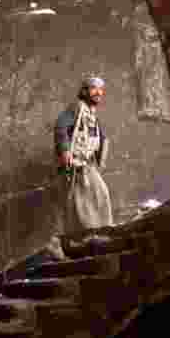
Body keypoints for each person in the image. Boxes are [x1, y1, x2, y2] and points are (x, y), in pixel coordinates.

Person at [48, 75, 113, 258]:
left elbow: (99, 137)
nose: (98, 92)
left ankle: (98, 236)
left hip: (89, 165)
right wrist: (65, 151)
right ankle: (72, 243)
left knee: (100, 196)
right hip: (75, 167)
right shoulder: (76, 108)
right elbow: (61, 127)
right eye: (94, 88)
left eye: (101, 89)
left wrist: (101, 153)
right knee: (77, 205)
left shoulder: (91, 114)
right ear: (85, 91)